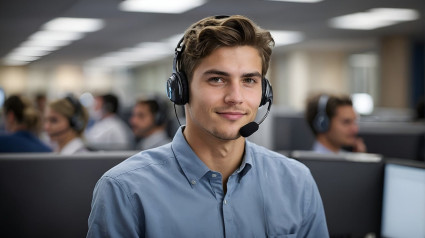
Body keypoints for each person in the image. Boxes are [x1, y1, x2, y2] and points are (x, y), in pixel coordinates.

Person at [87, 15, 328, 237]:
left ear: (264, 93)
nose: (235, 97)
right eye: (217, 79)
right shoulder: (125, 191)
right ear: (180, 90)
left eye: (249, 80)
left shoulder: (296, 182)